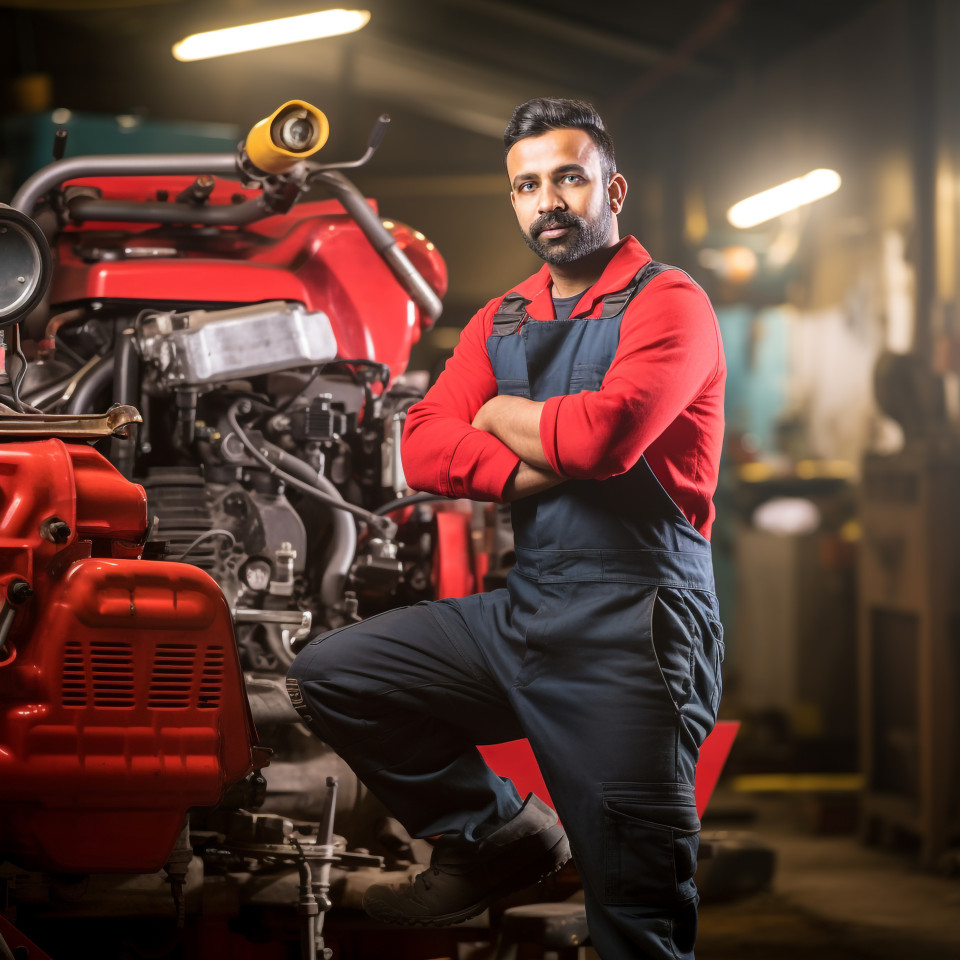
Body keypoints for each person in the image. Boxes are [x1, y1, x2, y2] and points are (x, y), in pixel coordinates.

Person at [286, 97, 726, 960]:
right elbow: (419, 446)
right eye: (528, 186)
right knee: (335, 674)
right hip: (526, 614)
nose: (548, 201)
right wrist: (533, 455)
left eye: (569, 177)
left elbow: (606, 437)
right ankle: (495, 836)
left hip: (635, 634)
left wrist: (495, 410)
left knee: (635, 909)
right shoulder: (504, 319)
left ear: (612, 187)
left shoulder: (670, 304)